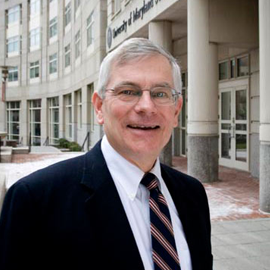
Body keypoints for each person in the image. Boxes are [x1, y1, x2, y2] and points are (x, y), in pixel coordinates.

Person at [0, 38, 213, 270]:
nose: (146, 106)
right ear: (100, 107)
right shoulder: (36, 201)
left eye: (160, 94)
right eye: (128, 91)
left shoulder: (192, 194)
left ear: (176, 111)